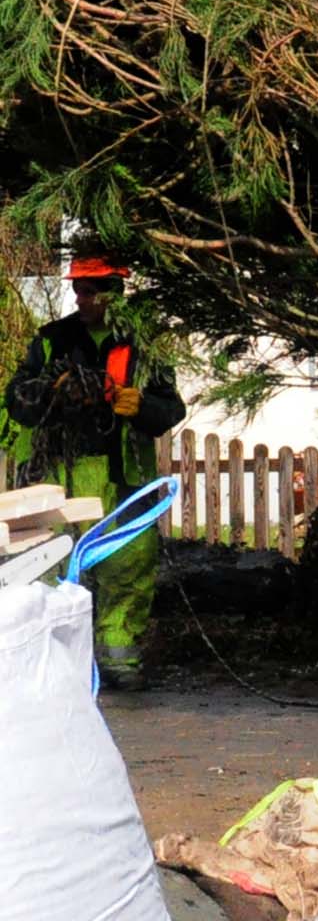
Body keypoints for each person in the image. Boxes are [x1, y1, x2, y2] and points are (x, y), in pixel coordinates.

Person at [5, 255, 185, 688]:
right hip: (60, 476)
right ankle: (52, 663)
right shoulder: (52, 341)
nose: (82, 297)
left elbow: (170, 408)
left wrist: (139, 405)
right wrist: (52, 390)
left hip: (123, 477)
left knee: (127, 567)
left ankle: (119, 660)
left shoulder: (143, 346)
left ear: (116, 290)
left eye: (92, 289)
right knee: (52, 568)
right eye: (78, 289)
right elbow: (17, 399)